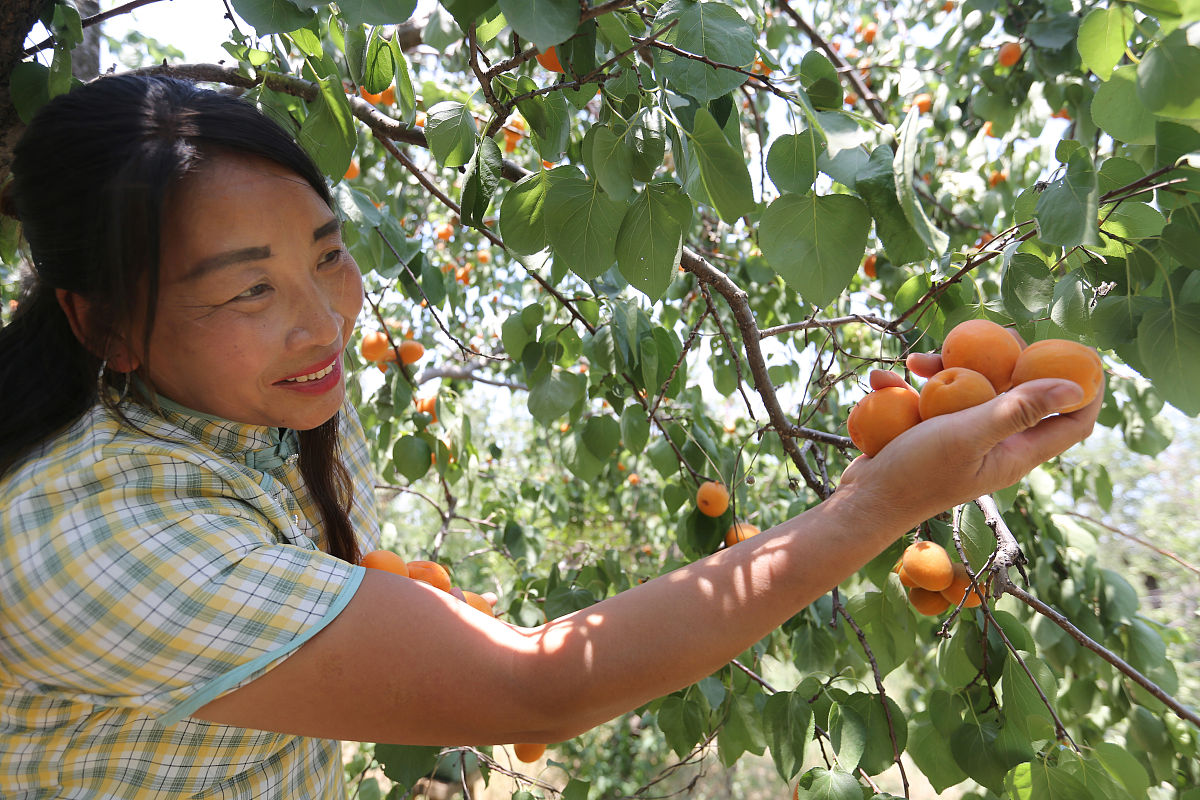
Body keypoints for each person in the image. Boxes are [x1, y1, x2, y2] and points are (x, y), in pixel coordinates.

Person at [0, 74, 1100, 799]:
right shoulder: (87, 533)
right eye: (246, 290)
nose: (324, 315)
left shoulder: (271, 400)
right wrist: (879, 502)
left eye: (326, 252)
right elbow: (533, 688)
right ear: (101, 322)